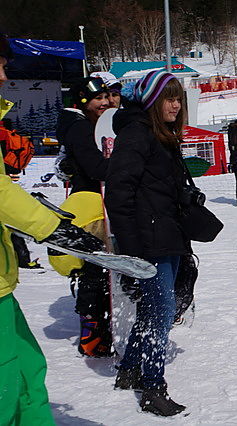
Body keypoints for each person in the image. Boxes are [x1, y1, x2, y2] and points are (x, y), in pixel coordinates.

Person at [0, 32, 104, 426]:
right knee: (6, 377)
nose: (5, 74)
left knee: (27, 367)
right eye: (1, 65)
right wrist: (54, 228)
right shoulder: (78, 126)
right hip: (79, 204)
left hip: (2, 278)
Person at [105, 70, 191, 416]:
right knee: (162, 313)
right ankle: (152, 386)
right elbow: (118, 194)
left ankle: (128, 369)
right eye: (169, 98)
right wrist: (131, 250)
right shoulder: (136, 135)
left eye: (178, 98)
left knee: (153, 310)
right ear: (152, 101)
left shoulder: (162, 135)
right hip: (147, 243)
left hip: (166, 236)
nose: (176, 104)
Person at [56, 76, 114, 357]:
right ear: (82, 101)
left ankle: (99, 329)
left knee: (101, 268)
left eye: (105, 97)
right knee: (96, 267)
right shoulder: (79, 128)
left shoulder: (84, 124)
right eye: (97, 99)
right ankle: (91, 333)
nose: (103, 102)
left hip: (94, 199)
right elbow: (94, 167)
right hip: (90, 203)